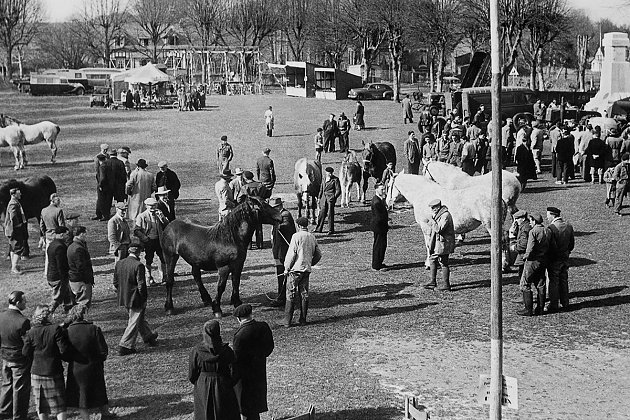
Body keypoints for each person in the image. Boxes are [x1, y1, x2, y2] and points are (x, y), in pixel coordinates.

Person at [64, 304, 115, 420]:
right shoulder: (94, 329)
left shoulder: (67, 332)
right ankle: (106, 414)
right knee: (100, 391)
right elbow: (103, 350)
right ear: (84, 315)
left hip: (76, 368)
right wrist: (99, 360)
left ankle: (86, 418)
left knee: (81, 396)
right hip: (94, 366)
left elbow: (65, 352)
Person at [22, 305, 71, 420]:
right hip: (54, 369)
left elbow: (25, 352)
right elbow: (63, 350)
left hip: (37, 371)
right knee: (60, 404)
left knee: (41, 404)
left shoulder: (31, 332)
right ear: (48, 316)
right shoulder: (55, 329)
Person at [113, 239, 158, 356]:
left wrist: (123, 292)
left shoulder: (119, 263)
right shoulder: (138, 265)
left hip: (124, 297)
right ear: (139, 252)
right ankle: (125, 345)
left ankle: (148, 336)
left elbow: (115, 282)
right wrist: (144, 298)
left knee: (138, 318)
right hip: (135, 297)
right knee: (133, 321)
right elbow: (141, 284)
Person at [189, 320, 240, 420]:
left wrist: (200, 383)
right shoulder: (226, 351)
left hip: (203, 385)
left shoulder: (196, 351)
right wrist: (228, 383)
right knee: (226, 413)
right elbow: (235, 373)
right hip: (223, 384)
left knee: (205, 414)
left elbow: (192, 374)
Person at [232, 304, 274, 420]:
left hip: (244, 375)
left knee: (244, 403)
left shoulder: (240, 336)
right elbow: (269, 347)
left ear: (239, 318)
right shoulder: (263, 326)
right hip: (259, 369)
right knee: (256, 399)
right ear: (251, 314)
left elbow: (236, 359)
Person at [283, 217, 322, 326]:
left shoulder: (296, 236)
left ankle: (287, 321)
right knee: (304, 293)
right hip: (306, 270)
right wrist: (310, 263)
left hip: (295, 270)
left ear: (299, 226)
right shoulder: (312, 236)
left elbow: (292, 254)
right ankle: (303, 319)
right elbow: (318, 254)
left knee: (290, 293)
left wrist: (287, 268)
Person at [0, 291, 31, 420]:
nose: (26, 303)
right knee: (20, 389)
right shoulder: (23, 321)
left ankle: (4, 411)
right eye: (24, 301)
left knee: (6, 385)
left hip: (5, 357)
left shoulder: (1, 317)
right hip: (19, 360)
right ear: (18, 302)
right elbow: (27, 343)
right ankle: (19, 416)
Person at [518, 212, 551, 316]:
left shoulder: (533, 231)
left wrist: (525, 256)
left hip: (532, 261)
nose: (530, 223)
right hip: (543, 260)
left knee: (525, 284)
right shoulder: (547, 230)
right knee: (540, 284)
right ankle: (540, 308)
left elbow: (530, 247)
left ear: (534, 221)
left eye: (531, 220)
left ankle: (528, 309)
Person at [134, 197, 169, 285]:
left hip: (159, 240)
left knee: (162, 258)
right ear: (146, 206)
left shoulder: (158, 214)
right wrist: (144, 238)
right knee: (149, 259)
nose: (152, 208)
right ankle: (149, 278)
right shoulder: (142, 216)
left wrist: (162, 218)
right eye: (150, 206)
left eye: (154, 206)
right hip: (148, 241)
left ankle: (164, 276)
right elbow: (136, 230)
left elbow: (167, 225)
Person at [546, 207, 575, 313]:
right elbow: (571, 244)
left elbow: (549, 246)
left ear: (553, 215)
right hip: (565, 257)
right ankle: (565, 302)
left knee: (554, 281)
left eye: (548, 215)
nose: (547, 217)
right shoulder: (568, 226)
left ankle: (554, 304)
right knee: (564, 279)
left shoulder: (551, 228)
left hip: (554, 259)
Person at [268, 198, 296, 308]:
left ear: (278, 206)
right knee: (280, 274)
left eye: (273, 208)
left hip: (283, 252)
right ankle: (283, 295)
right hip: (278, 251)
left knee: (282, 274)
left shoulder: (285, 214)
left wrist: (277, 224)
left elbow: (286, 226)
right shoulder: (278, 215)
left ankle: (282, 298)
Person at [423, 199, 455, 291]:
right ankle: (433, 282)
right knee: (433, 259)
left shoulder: (445, 215)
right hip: (439, 243)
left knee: (443, 262)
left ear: (438, 207)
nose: (432, 209)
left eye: (433, 208)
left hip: (444, 243)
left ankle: (446, 285)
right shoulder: (440, 214)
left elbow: (439, 229)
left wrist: (431, 221)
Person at [46, 226, 74, 315]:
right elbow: (61, 264)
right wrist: (64, 277)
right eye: (67, 234)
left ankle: (69, 308)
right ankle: (47, 313)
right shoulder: (60, 247)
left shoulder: (52, 244)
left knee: (66, 292)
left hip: (51, 275)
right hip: (58, 276)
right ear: (62, 234)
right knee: (57, 297)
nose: (68, 236)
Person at [67, 226, 95, 307]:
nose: (86, 235)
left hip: (75, 278)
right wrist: (88, 280)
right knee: (83, 303)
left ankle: (78, 319)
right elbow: (81, 267)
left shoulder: (72, 246)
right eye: (85, 233)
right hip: (81, 280)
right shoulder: (78, 248)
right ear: (81, 234)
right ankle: (79, 319)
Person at [41, 193, 66, 276]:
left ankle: (46, 272)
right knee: (59, 255)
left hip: (48, 235)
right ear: (53, 201)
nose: (59, 202)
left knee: (48, 255)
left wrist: (45, 234)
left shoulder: (43, 210)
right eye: (58, 200)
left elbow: (42, 225)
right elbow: (61, 225)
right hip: (57, 236)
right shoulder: (58, 211)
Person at [241, 171, 268, 249]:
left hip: (249, 209)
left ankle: (249, 245)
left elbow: (239, 199)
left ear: (245, 178)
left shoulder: (245, 187)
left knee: (248, 227)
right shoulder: (260, 185)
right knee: (259, 227)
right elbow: (265, 195)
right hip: (259, 208)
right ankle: (260, 244)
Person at [4, 188, 28, 275]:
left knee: (13, 247)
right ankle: (14, 267)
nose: (20, 194)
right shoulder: (13, 204)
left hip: (12, 229)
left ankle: (14, 265)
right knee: (18, 248)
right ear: (14, 195)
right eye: (19, 193)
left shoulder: (14, 202)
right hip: (15, 230)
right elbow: (13, 216)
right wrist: (18, 225)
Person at [315, 167, 341, 235]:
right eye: (328, 173)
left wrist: (334, 197)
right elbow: (321, 189)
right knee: (321, 213)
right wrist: (319, 198)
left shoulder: (335, 180)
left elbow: (338, 190)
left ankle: (331, 230)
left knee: (330, 214)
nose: (330, 174)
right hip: (323, 198)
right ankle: (318, 229)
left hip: (330, 199)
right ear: (326, 173)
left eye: (331, 173)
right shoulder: (323, 179)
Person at [370, 183, 389, 271]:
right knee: (379, 246)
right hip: (380, 227)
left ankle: (378, 263)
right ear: (376, 190)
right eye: (382, 189)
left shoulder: (378, 199)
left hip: (379, 226)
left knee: (380, 245)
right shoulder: (377, 202)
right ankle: (377, 265)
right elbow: (379, 217)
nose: (384, 191)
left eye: (384, 189)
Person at [509, 210, 531, 278]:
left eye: (517, 219)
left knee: (523, 277)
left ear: (523, 218)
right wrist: (513, 231)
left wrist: (513, 247)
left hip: (524, 256)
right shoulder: (523, 226)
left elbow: (523, 245)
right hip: (524, 257)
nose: (516, 221)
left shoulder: (525, 228)